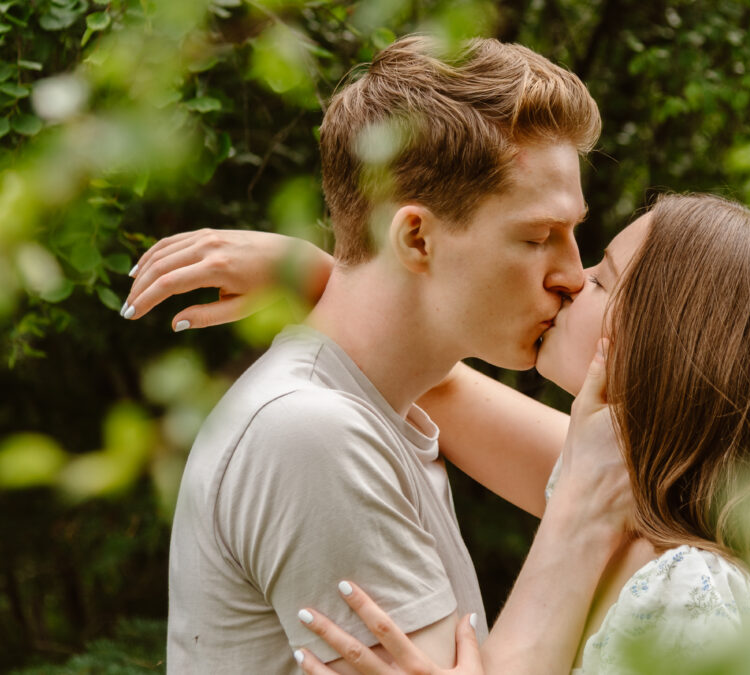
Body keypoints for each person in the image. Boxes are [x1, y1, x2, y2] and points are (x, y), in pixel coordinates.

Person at [127, 194, 750, 673]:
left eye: (602, 278)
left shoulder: (691, 592)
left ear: (662, 337)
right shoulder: (624, 482)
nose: (569, 279)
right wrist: (318, 276)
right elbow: (427, 373)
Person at [144, 35, 637, 675]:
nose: (571, 274)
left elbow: (637, 488)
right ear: (416, 237)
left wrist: (324, 282)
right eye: (539, 236)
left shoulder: (375, 408)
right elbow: (605, 491)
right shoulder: (315, 434)